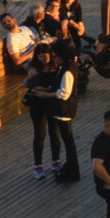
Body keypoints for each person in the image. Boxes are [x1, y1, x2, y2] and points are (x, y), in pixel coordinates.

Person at [26, 52, 78, 181]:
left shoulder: (58, 68)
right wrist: (30, 78)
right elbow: (27, 84)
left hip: (52, 105)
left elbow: (60, 89)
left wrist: (46, 92)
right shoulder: (34, 68)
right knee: (40, 134)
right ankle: (38, 166)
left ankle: (56, 161)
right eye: (41, 56)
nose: (45, 58)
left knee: (55, 133)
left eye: (47, 55)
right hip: (38, 105)